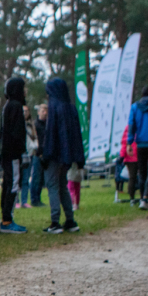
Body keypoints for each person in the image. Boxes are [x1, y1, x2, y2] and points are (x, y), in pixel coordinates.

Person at [40, 77, 84, 234]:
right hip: (67, 155)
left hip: (54, 154)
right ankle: (70, 220)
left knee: (52, 185)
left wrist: (46, 154)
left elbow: (50, 134)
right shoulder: (71, 108)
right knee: (63, 185)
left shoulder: (54, 108)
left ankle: (55, 221)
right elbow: (77, 134)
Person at [0, 77, 28, 233]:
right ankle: (7, 220)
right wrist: (21, 150)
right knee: (13, 184)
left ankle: (6, 218)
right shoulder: (15, 107)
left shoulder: (8, 106)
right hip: (13, 155)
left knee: (8, 184)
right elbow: (16, 133)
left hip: (7, 153)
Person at [29, 102, 47, 208]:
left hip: (45, 153)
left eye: (46, 111)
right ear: (39, 112)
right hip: (37, 153)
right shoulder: (35, 125)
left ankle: (38, 198)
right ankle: (34, 199)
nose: (45, 113)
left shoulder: (48, 124)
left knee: (41, 178)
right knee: (36, 176)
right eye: (43, 111)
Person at [118, 124, 140, 205]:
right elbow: (124, 143)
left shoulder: (129, 127)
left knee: (132, 178)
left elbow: (124, 142)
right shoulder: (142, 125)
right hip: (137, 155)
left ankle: (132, 198)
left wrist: (122, 155)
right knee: (139, 177)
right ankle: (142, 198)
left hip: (130, 157)